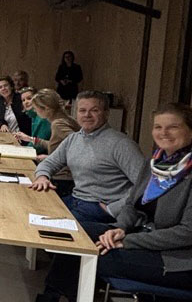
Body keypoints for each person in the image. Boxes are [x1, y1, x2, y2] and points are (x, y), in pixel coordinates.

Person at [7, 103, 192, 302]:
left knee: (85, 254)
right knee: (75, 233)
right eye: (158, 127)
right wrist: (120, 228)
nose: (163, 133)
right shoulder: (156, 163)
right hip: (140, 233)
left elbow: (187, 233)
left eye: (173, 127)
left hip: (175, 258)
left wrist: (128, 239)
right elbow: (133, 205)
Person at [29, 90, 145, 223]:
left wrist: (113, 209)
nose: (87, 115)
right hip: (75, 200)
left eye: (94, 110)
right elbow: (49, 162)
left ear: (106, 113)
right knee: (32, 212)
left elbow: (145, 185)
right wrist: (42, 177)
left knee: (47, 226)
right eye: (82, 110)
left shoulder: (122, 144)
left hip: (100, 209)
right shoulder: (73, 139)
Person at [17, 88, 80, 196]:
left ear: (46, 109)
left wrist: (52, 158)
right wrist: (33, 139)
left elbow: (80, 148)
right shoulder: (65, 118)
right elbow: (60, 146)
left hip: (63, 179)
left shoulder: (58, 124)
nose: (35, 111)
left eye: (36, 109)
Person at [13, 87, 50, 155]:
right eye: (23, 100)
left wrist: (21, 151)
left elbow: (39, 146)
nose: (26, 102)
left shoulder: (42, 118)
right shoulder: (33, 116)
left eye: (29, 98)